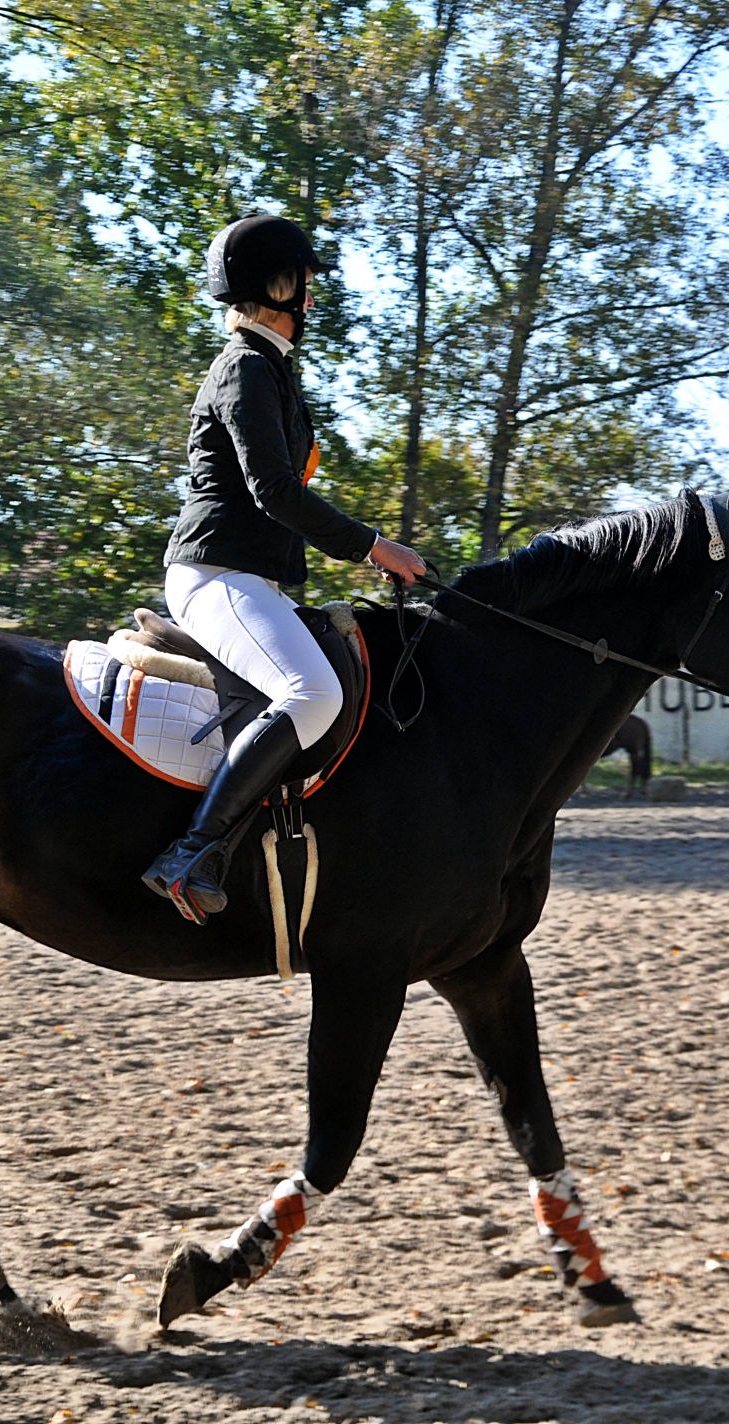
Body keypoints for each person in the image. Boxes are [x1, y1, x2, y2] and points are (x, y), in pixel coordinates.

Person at [142, 211, 426, 922]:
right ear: (277, 285)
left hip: (246, 576)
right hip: (215, 574)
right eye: (305, 281)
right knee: (312, 693)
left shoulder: (268, 366)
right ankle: (192, 852)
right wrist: (372, 546)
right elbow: (273, 490)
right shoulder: (243, 367)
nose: (313, 295)